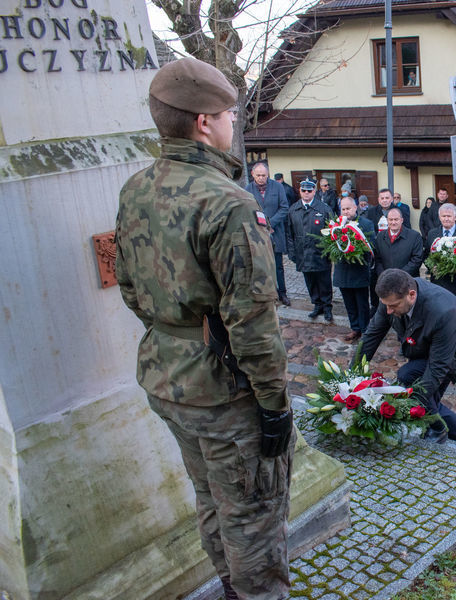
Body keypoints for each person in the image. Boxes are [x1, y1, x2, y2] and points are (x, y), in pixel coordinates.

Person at [115, 58, 295, 600]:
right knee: (255, 516)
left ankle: (232, 589)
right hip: (224, 392)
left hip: (166, 379)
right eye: (229, 114)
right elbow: (253, 321)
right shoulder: (227, 202)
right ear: (202, 123)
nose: (233, 122)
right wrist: (275, 405)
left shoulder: (137, 187)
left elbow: (129, 287)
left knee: (214, 501)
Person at [361, 269, 456, 445]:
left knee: (417, 388)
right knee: (419, 392)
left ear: (411, 295)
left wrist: (406, 399)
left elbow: (438, 367)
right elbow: (372, 334)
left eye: (393, 306)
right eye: (385, 305)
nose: (388, 311)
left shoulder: (443, 311)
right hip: (426, 345)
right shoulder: (391, 297)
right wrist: (352, 375)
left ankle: (447, 431)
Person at [287, 177, 335, 322]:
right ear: (300, 191)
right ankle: (317, 305)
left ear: (314, 191)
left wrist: (330, 252)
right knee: (310, 282)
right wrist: (292, 252)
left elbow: (333, 232)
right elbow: (289, 234)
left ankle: (327, 307)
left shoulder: (324, 209)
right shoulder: (293, 209)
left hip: (320, 253)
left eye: (309, 190)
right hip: (303, 253)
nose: (306, 193)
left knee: (324, 282)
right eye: (303, 190)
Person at [246, 162, 291, 306]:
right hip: (258, 235)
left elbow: (284, 207)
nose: (261, 178)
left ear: (268, 175)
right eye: (258, 175)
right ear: (253, 174)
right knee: (262, 265)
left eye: (263, 175)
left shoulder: (277, 187)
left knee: (278, 266)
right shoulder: (247, 189)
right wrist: (260, 226)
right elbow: (247, 211)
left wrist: (271, 224)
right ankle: (268, 293)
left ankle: (282, 293)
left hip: (275, 232)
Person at [333, 197, 374, 342]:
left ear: (355, 208)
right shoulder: (336, 225)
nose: (346, 211)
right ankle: (355, 328)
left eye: (348, 208)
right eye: (343, 209)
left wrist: (355, 250)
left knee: (362, 303)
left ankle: (365, 330)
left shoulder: (366, 224)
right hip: (343, 271)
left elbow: (371, 246)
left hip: (359, 270)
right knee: (349, 303)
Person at [425, 203, 456, 303]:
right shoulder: (432, 234)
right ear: (439, 217)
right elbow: (426, 256)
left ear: (455, 217)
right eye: (443, 216)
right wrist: (432, 267)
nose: (446, 219)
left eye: (449, 216)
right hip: (438, 283)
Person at [373, 207, 424, 279]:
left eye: (396, 219)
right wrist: (383, 275)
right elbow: (377, 259)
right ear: (387, 220)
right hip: (386, 280)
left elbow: (417, 259)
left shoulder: (414, 236)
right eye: (390, 220)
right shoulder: (380, 237)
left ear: (402, 220)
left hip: (408, 280)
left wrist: (399, 276)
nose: (393, 222)